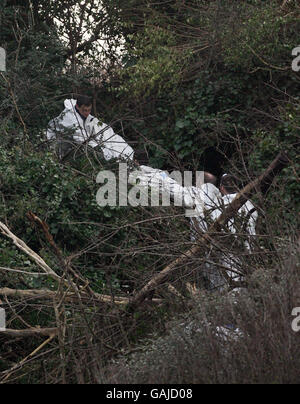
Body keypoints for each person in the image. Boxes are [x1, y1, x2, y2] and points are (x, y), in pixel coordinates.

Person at [46, 96, 134, 162]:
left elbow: (103, 129)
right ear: (77, 107)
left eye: (89, 110)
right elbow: (82, 139)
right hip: (60, 147)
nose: (87, 113)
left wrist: (122, 149)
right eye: (85, 110)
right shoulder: (70, 119)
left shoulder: (86, 116)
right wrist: (107, 155)